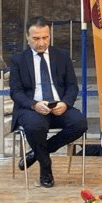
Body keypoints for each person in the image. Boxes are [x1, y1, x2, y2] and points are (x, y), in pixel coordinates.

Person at [9, 16, 88, 188]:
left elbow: (72, 86)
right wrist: (34, 104)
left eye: (45, 38)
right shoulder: (18, 60)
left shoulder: (61, 56)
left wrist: (65, 103)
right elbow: (16, 92)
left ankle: (37, 153)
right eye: (36, 38)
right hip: (31, 107)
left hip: (58, 105)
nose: (41, 43)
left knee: (80, 123)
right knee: (35, 126)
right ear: (27, 38)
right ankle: (46, 168)